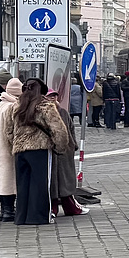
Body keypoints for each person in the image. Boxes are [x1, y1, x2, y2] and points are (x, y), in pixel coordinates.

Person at [8, 78, 73, 225]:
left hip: (20, 150)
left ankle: (21, 217)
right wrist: (60, 147)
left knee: (22, 184)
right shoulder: (46, 106)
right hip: (40, 149)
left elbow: (9, 130)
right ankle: (38, 216)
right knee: (41, 183)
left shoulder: (16, 106)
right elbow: (58, 130)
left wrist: (16, 143)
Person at [48, 88, 87, 217]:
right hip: (51, 152)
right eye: (49, 96)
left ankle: (70, 207)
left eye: (54, 96)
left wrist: (73, 145)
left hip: (65, 153)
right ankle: (52, 208)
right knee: (52, 182)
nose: (53, 99)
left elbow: (71, 129)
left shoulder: (63, 112)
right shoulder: (44, 113)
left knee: (65, 181)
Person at [0, 76, 22, 221]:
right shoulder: (12, 106)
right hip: (8, 148)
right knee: (10, 179)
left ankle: (5, 211)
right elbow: (13, 129)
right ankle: (9, 211)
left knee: (2, 179)